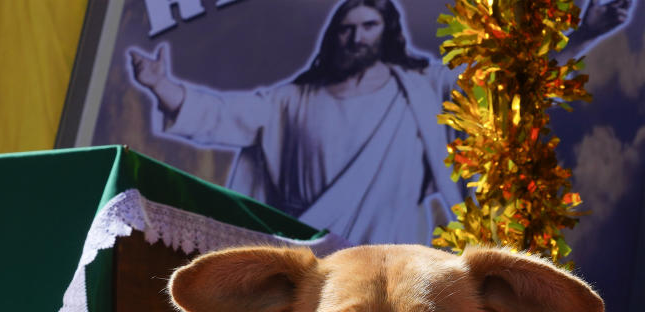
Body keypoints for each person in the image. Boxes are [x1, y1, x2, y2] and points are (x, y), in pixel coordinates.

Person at [129, 0, 632, 246]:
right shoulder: (292, 100)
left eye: (367, 25)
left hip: (392, 277)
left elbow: (500, 87)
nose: (354, 36)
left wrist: (583, 34)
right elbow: (220, 115)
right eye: (345, 28)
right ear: (333, 38)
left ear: (385, 31)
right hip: (305, 270)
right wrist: (161, 85)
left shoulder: (422, 89)